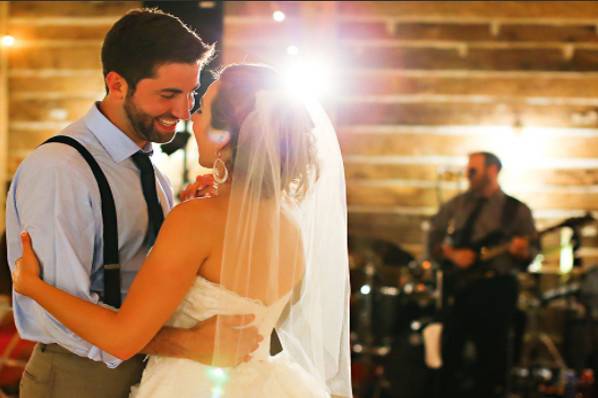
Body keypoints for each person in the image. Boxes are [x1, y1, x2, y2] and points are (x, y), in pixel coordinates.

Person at [13, 63, 353, 397]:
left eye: (202, 109)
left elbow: (120, 338)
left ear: (227, 137)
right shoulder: (288, 226)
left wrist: (33, 285)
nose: (192, 117)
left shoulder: (196, 219)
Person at [6, 9, 261, 398]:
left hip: (152, 372)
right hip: (81, 376)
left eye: (191, 93)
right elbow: (62, 314)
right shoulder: (62, 169)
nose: (181, 112)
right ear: (117, 84)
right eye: (168, 95)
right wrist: (185, 343)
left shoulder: (149, 163)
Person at [427, 151, 537, 398]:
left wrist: (522, 251)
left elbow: (532, 253)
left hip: (496, 290)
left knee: (491, 358)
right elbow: (433, 241)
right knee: (450, 354)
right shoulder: (456, 205)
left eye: (473, 170)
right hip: (459, 289)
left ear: (492, 170)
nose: (468, 175)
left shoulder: (516, 210)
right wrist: (453, 255)